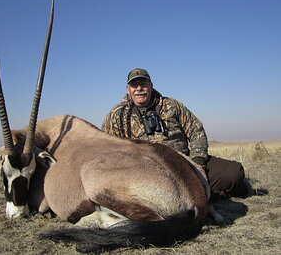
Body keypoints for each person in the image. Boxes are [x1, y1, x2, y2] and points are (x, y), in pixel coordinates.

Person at [102, 68, 250, 200]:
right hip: (145, 174)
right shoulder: (116, 115)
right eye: (134, 85)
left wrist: (198, 163)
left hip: (186, 164)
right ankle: (204, 196)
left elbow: (196, 130)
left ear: (151, 86)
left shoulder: (172, 105)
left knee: (234, 173)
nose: (139, 88)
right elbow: (108, 150)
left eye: (144, 84)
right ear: (128, 89)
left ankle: (204, 193)